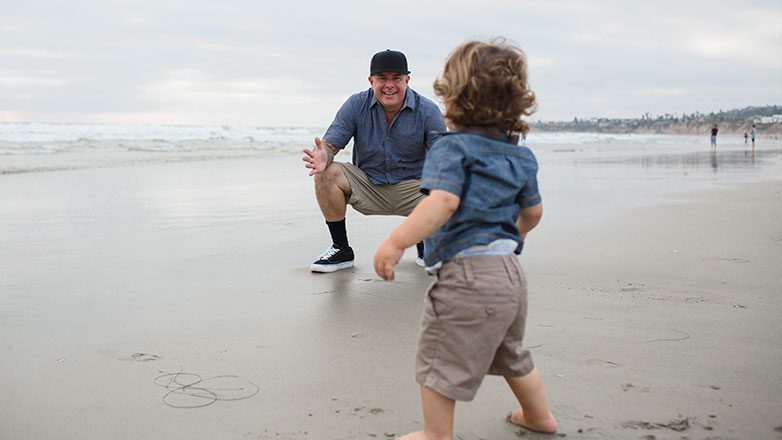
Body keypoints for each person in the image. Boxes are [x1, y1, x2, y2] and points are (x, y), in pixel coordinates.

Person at [374, 39, 557, 439]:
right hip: (510, 273)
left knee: (438, 358)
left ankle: (436, 434)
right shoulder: (521, 157)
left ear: (454, 97)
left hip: (466, 277)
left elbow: (441, 203)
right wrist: (513, 239)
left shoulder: (450, 148)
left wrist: (396, 241)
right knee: (510, 351)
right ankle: (538, 416)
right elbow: (533, 213)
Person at [303, 49, 447, 272]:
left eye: (396, 78)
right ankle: (341, 249)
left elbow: (442, 158)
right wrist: (325, 155)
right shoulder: (355, 105)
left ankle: (426, 241)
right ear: (371, 81)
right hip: (368, 186)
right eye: (382, 79)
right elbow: (330, 145)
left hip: (414, 190)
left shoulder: (427, 110)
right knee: (326, 172)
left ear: (407, 80)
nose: (389, 85)